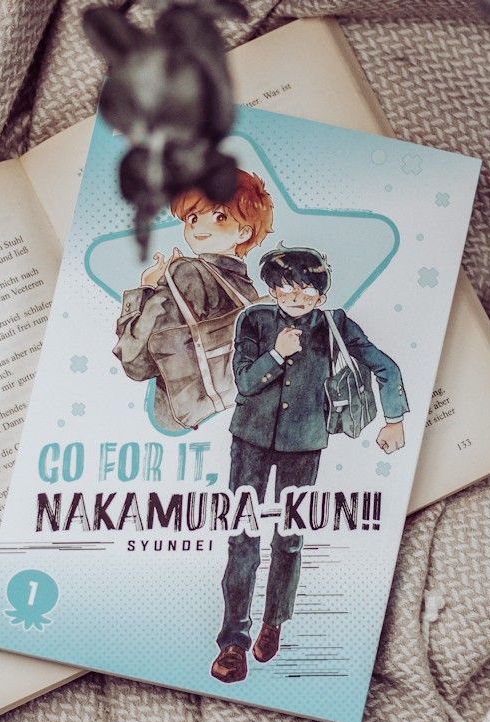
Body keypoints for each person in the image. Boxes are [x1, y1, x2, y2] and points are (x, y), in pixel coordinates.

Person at [211, 244, 409, 683]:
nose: (296, 298)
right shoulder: (254, 320)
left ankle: (274, 622)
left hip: (304, 444)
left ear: (321, 293)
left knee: (289, 537)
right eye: (285, 289)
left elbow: (385, 366)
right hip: (250, 441)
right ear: (271, 289)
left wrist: (394, 419)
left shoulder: (335, 324)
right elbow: (244, 382)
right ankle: (233, 641)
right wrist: (277, 354)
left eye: (306, 290)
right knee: (242, 537)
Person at [113, 170, 274, 430]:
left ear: (244, 233)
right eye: (193, 218)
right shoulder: (247, 290)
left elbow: (135, 362)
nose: (199, 227)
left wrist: (146, 289)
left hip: (184, 419)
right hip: (239, 409)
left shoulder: (184, 272)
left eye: (219, 217)